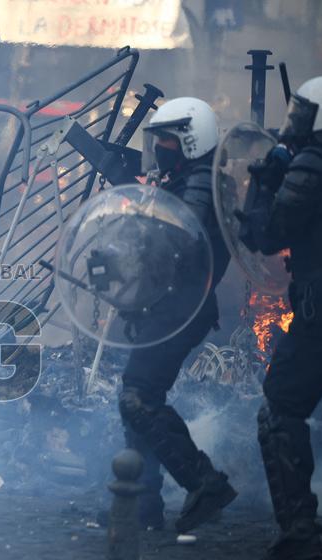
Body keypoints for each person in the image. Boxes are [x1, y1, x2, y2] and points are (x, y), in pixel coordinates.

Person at [243, 76, 322, 560]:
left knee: (280, 407)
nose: (295, 120)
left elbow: (269, 235)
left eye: (303, 112)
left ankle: (299, 533)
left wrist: (264, 182)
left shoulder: (314, 163)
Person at [117, 97, 237, 533]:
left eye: (167, 140)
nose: (160, 148)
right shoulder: (187, 179)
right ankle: (141, 505)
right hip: (168, 305)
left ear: (191, 139)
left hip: (182, 308)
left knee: (138, 398)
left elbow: (180, 242)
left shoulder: (201, 184)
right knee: (139, 398)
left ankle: (204, 482)